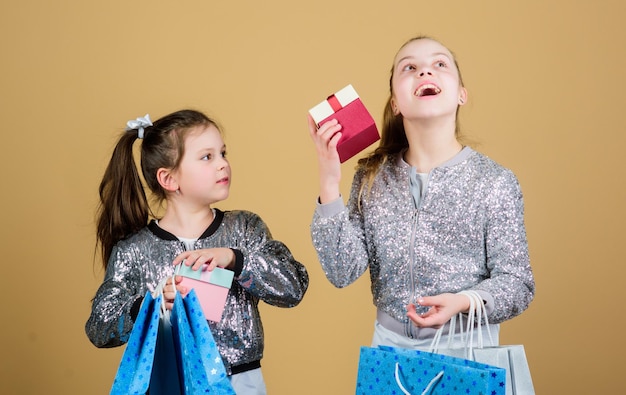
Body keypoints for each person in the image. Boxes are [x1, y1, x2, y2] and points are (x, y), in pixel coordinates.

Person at [308, 36, 535, 349]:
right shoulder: (372, 177)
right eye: (410, 67)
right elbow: (341, 271)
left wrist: (464, 302)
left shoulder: (494, 182)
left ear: (461, 94)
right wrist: (329, 181)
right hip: (389, 353)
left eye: (439, 65)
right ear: (395, 104)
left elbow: (518, 283)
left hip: (467, 350)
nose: (425, 73)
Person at [86, 109, 309, 394]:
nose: (223, 165)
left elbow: (293, 286)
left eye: (223, 153)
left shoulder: (244, 228)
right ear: (169, 179)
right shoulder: (134, 250)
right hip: (169, 382)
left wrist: (235, 260)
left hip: (240, 383)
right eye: (207, 157)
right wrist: (149, 305)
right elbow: (98, 326)